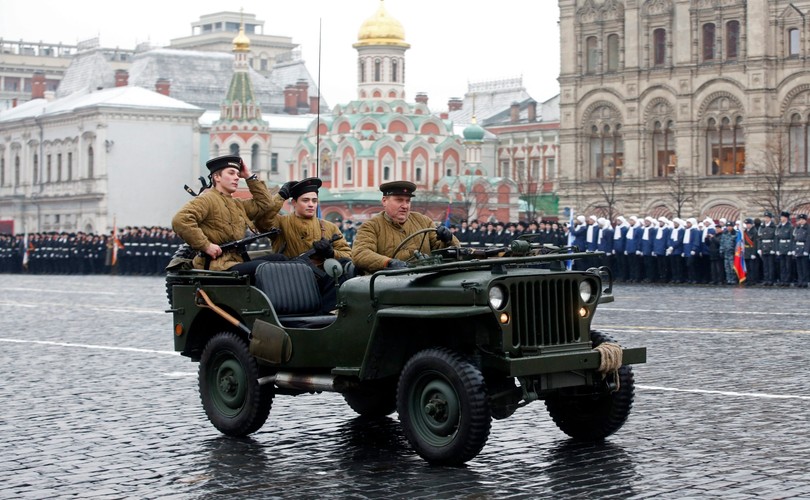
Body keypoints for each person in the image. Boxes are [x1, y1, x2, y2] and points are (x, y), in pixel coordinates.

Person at [254, 177, 352, 312]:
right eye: (305, 200)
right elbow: (262, 220)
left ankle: (322, 314)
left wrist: (330, 253)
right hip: (290, 283)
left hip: (321, 283)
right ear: (294, 202)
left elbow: (348, 255)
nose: (311, 204)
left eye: (314, 201)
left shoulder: (329, 227)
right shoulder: (281, 223)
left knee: (345, 267)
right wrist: (281, 196)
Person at [171, 154, 276, 274]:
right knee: (265, 268)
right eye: (231, 173)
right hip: (216, 265)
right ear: (217, 177)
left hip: (236, 260)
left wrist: (249, 177)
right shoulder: (207, 199)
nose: (236, 177)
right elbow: (180, 220)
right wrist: (206, 246)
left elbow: (266, 204)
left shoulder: (237, 204)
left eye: (237, 174)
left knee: (280, 260)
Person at [352, 180, 459, 274]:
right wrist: (388, 263)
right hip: (387, 285)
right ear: (384, 201)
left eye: (408, 201)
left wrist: (448, 239)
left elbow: (449, 250)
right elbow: (361, 253)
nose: (405, 206)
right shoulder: (371, 226)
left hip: (425, 281)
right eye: (399, 200)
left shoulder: (423, 221)